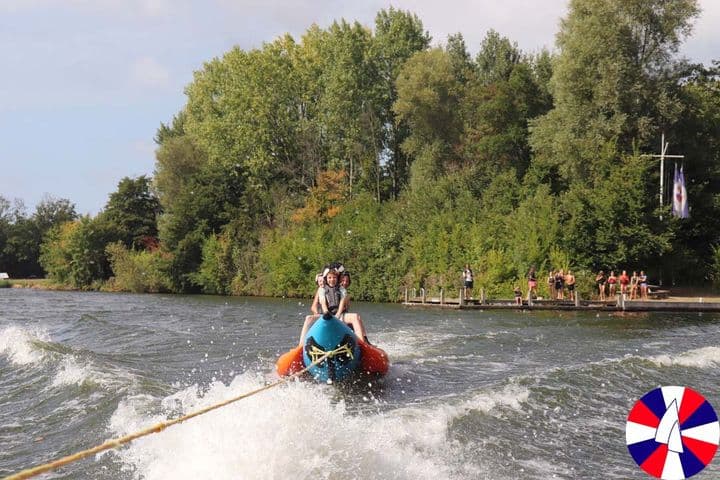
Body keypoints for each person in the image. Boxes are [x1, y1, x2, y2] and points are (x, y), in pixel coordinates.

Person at [337, 271, 369, 342]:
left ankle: (365, 340)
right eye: (343, 280)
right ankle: (363, 341)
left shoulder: (345, 293)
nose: (345, 283)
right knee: (356, 317)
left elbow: (346, 309)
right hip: (338, 317)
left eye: (347, 281)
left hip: (344, 317)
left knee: (358, 318)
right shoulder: (336, 290)